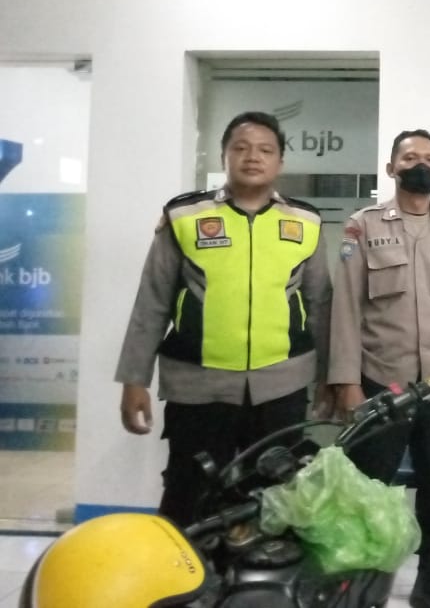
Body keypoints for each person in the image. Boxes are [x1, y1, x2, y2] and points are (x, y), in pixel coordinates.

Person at [115, 110, 332, 527]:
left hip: (281, 387)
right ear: (224, 156)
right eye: (241, 148)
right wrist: (134, 380)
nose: (253, 157)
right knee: (188, 495)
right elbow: (152, 302)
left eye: (265, 150)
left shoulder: (305, 222)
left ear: (280, 162)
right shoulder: (184, 216)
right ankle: (185, 571)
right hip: (198, 387)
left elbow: (320, 304)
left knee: (274, 502)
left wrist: (329, 378)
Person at [328, 129, 430, 608]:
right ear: (391, 168)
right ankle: (358, 586)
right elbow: (345, 308)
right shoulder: (363, 226)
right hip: (380, 382)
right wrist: (346, 381)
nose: (421, 165)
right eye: (410, 157)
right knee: (368, 490)